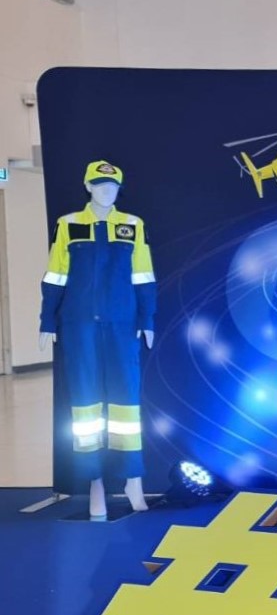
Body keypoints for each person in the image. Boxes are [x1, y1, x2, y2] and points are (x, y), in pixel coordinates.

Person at [39, 161, 155, 519]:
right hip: (79, 325)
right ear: (88, 186)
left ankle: (132, 479)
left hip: (122, 325)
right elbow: (56, 274)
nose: (107, 190)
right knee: (85, 406)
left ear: (120, 188)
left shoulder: (132, 225)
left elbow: (143, 275)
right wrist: (47, 319)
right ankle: (95, 483)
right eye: (99, 184)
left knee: (126, 405)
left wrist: (147, 318)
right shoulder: (69, 224)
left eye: (112, 185)